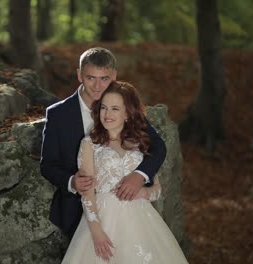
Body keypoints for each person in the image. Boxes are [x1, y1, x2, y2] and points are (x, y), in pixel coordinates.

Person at [40, 47, 167, 238]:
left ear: (114, 76)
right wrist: (72, 181)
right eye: (91, 78)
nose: (98, 86)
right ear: (79, 75)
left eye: (104, 79)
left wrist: (140, 175)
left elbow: (157, 146)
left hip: (129, 213)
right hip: (75, 211)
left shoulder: (126, 108)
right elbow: (48, 164)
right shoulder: (58, 114)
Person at [62, 81, 188, 263]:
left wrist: (145, 192)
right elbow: (87, 193)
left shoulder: (140, 142)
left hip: (141, 221)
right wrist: (97, 232)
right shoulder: (89, 143)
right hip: (104, 219)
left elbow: (157, 188)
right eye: (104, 108)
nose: (107, 114)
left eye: (114, 108)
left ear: (127, 113)